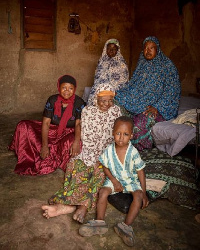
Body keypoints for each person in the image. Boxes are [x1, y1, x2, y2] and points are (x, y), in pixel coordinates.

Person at [41, 83, 122, 223]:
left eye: (110, 100)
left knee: (100, 174)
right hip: (88, 149)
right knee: (75, 166)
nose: (107, 104)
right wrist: (78, 143)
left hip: (106, 152)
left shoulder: (116, 111)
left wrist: (111, 155)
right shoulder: (87, 111)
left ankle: (81, 207)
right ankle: (67, 205)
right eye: (103, 100)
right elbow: (79, 128)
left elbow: (119, 135)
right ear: (96, 98)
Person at [79, 116, 149, 247]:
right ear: (113, 133)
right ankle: (99, 222)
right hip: (115, 178)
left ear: (131, 135)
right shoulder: (109, 150)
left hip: (130, 180)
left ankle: (125, 227)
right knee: (103, 191)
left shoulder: (133, 152)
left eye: (126, 134)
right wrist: (113, 181)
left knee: (138, 196)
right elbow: (105, 166)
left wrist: (144, 192)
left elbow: (140, 171)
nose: (121, 138)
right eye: (118, 133)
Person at [9, 74, 86, 175]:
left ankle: (56, 153)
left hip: (68, 133)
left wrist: (76, 142)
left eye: (70, 88)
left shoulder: (79, 102)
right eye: (64, 88)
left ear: (74, 89)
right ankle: (44, 149)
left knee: (75, 143)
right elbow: (46, 123)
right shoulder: (52, 100)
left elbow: (78, 125)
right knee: (23, 125)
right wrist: (44, 146)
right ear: (59, 87)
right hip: (51, 130)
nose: (67, 91)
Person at [114, 36, 181, 151]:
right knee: (115, 105)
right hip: (139, 101)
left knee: (140, 123)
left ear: (158, 50)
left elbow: (172, 90)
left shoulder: (167, 67)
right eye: (145, 48)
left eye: (152, 48)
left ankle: (139, 152)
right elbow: (133, 86)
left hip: (156, 106)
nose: (148, 51)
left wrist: (157, 107)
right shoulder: (142, 64)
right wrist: (119, 94)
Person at [86, 38, 129, 105]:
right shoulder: (101, 61)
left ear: (117, 50)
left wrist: (112, 91)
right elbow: (97, 78)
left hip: (114, 93)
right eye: (109, 48)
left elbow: (124, 81)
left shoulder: (122, 64)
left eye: (114, 49)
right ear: (105, 49)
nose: (111, 51)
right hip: (99, 91)